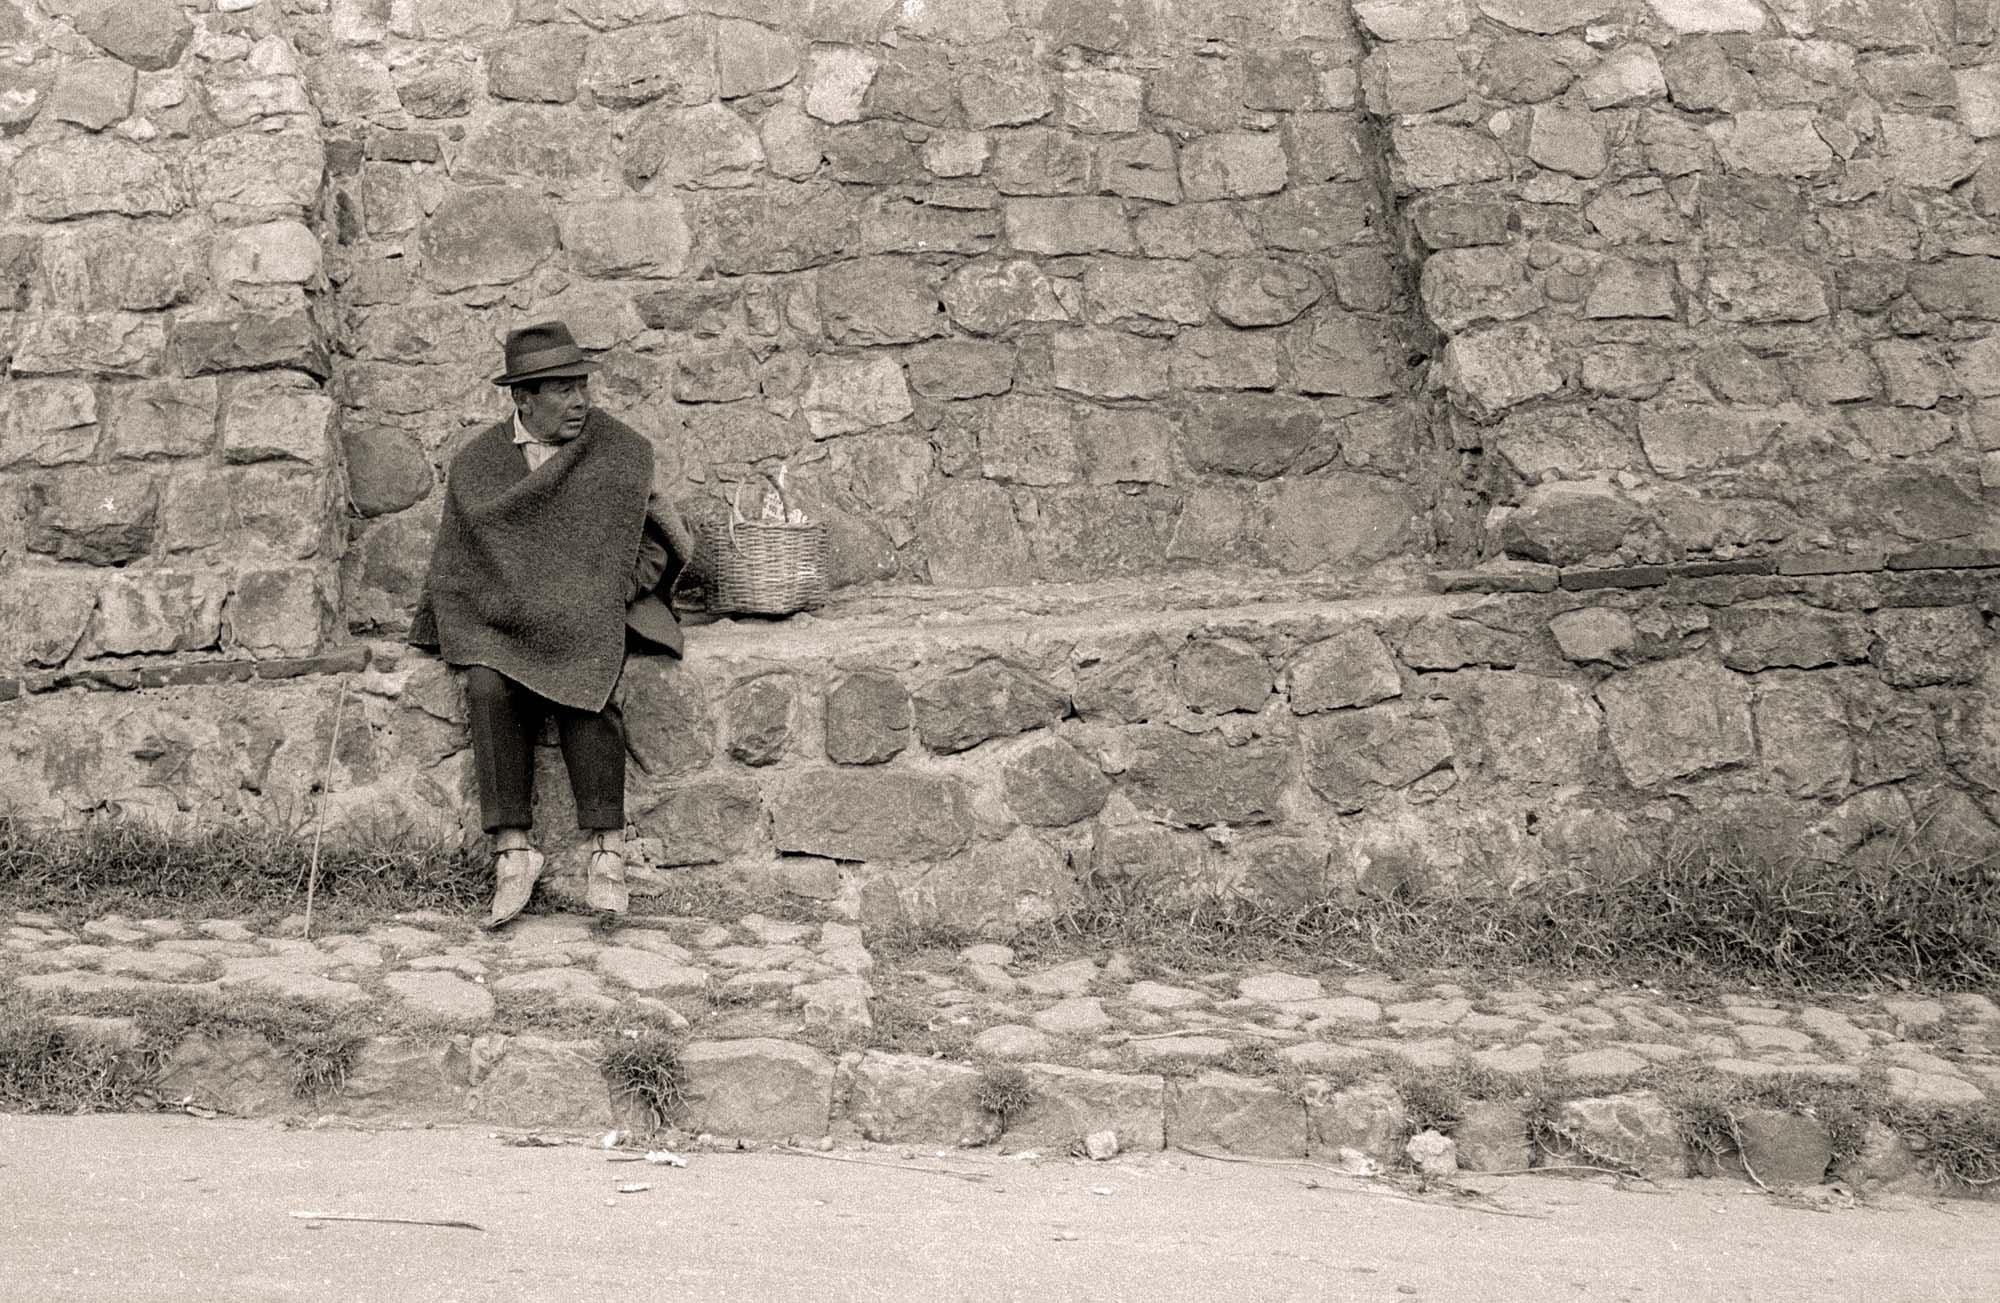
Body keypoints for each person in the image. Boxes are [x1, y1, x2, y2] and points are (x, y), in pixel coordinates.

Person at [410, 321, 695, 929]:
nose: (580, 401)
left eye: (581, 386)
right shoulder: (478, 465)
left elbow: (655, 547)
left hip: (589, 612)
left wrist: (614, 589)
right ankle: (513, 852)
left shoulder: (618, 452)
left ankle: (606, 853)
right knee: (487, 686)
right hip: (505, 620)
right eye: (561, 390)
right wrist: (496, 607)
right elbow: (460, 562)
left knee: (588, 687)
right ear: (523, 399)